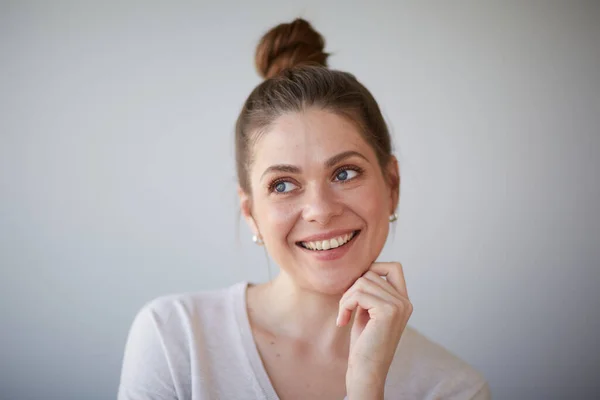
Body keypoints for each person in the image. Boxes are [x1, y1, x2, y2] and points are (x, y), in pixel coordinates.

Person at [118, 18, 491, 400]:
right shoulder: (174, 338)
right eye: (282, 184)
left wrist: (367, 384)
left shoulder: (452, 389)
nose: (319, 210)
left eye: (345, 173)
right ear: (251, 213)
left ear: (391, 184)